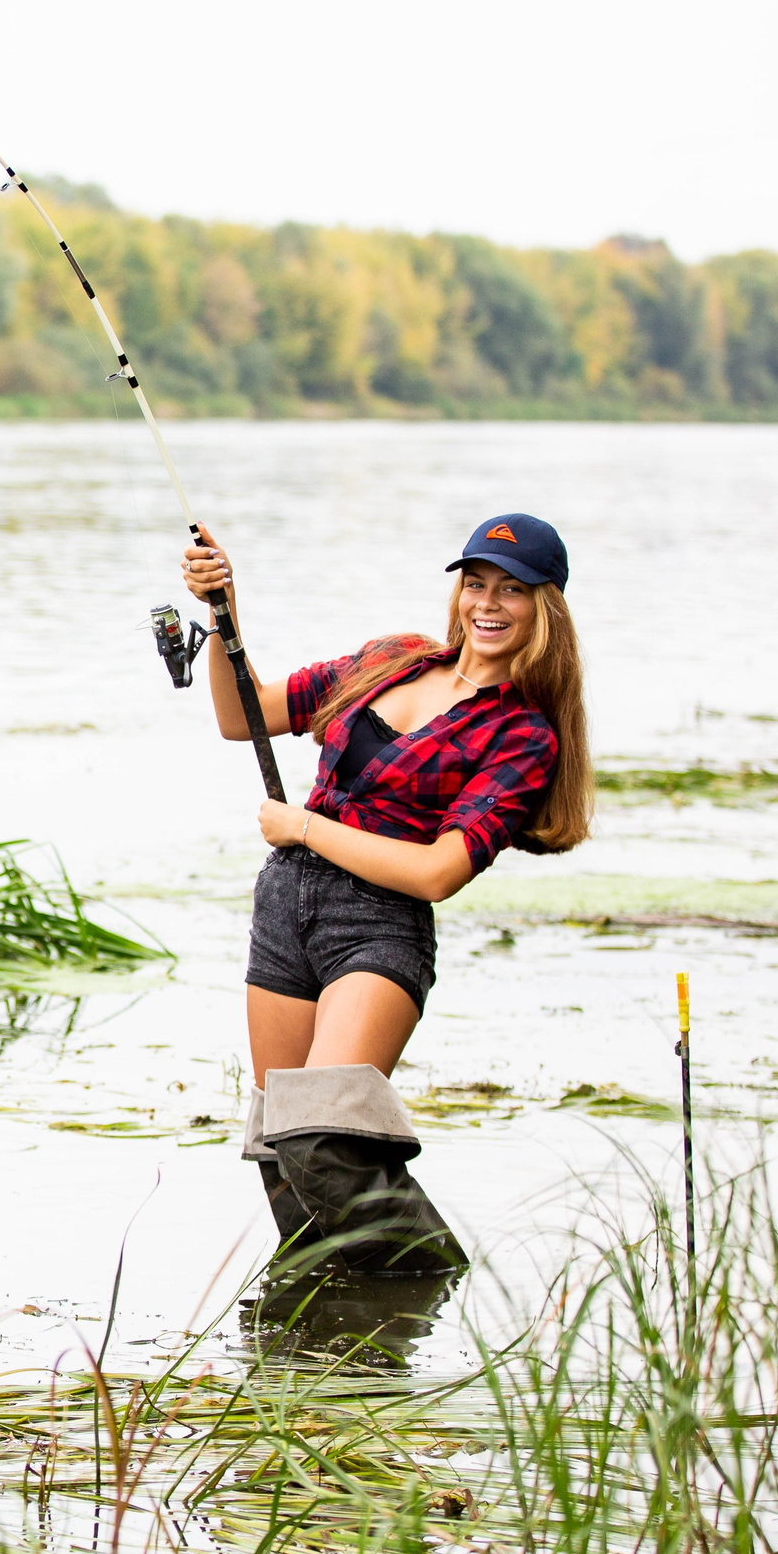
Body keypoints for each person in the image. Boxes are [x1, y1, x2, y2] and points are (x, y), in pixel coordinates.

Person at [179, 512, 592, 1272]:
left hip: (377, 925)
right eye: (476, 583)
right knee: (280, 1152)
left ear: (546, 608)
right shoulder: (392, 658)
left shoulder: (524, 735)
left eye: (514, 589)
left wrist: (305, 827)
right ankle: (325, 1348)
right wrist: (222, 614)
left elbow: (439, 870)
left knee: (321, 1133)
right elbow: (242, 717)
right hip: (285, 909)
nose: (489, 603)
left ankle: (435, 1280)